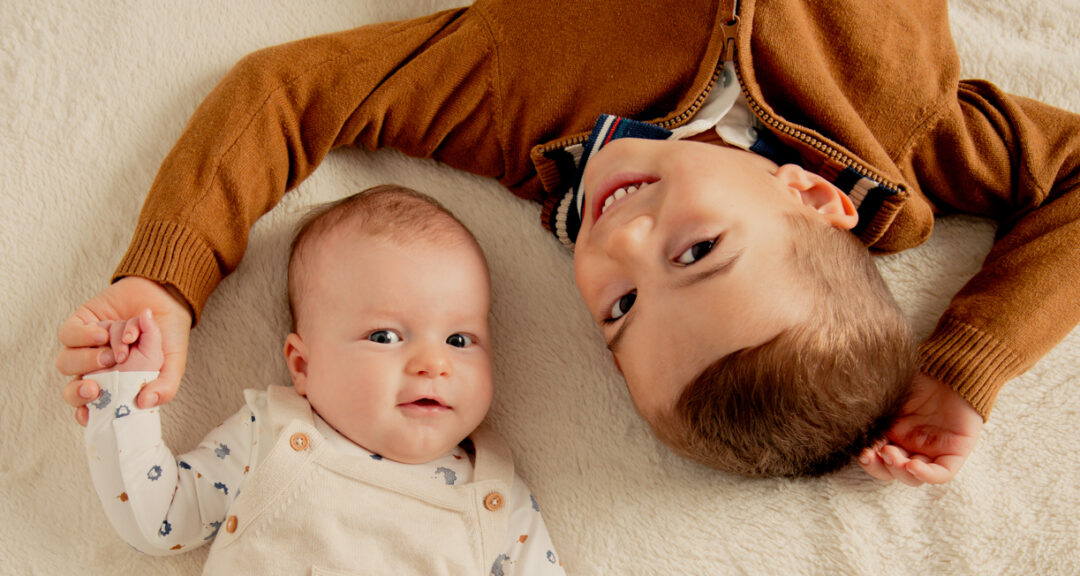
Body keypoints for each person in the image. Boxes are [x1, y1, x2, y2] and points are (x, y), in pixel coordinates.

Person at [58, 0, 1080, 485]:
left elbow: (286, 93)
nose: (622, 237)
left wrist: (167, 278)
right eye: (696, 253)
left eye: (618, 309)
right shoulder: (897, 130)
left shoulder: (508, 107)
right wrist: (963, 371)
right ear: (813, 193)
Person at [81, 185, 603, 576]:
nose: (433, 363)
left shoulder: (494, 496)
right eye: (385, 335)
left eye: (460, 340)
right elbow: (159, 518)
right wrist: (123, 392)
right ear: (303, 366)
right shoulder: (273, 439)